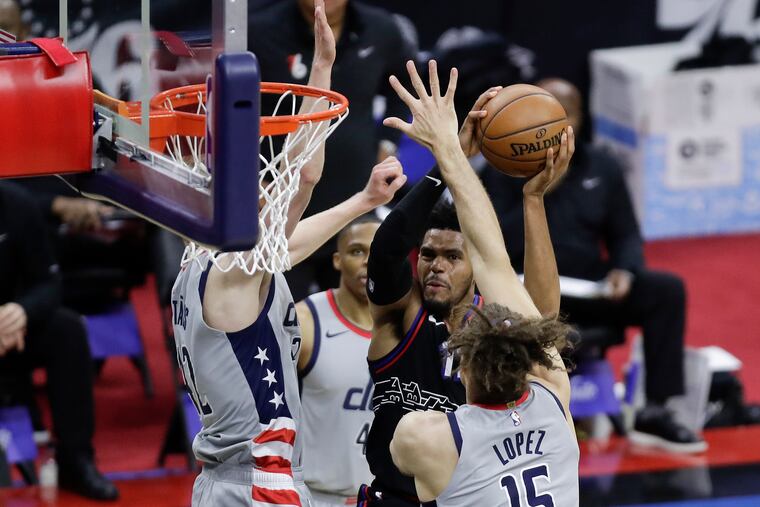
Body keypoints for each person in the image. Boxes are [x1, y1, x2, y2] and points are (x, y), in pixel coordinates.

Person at [171, 3, 406, 505]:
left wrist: (364, 201)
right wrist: (320, 73)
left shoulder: (206, 268)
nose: (263, 192)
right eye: (252, 187)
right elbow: (302, 177)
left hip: (224, 479)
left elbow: (291, 241)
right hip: (258, 481)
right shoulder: (237, 270)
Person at [360, 59, 574, 505]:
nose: (436, 266)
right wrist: (526, 195)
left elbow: (506, 276)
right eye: (430, 255)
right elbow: (504, 276)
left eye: (453, 256)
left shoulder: (424, 437)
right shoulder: (553, 396)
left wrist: (448, 153)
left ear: (466, 365)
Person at [482, 77, 706, 454]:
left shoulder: (602, 166)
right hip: (526, 292)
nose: (556, 121)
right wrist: (537, 191)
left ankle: (656, 410)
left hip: (590, 286)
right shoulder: (504, 165)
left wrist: (625, 269)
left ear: (580, 118)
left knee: (665, 290)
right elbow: (493, 238)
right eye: (548, 110)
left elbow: (625, 235)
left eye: (566, 112)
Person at [248, 0, 417, 300]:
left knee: (360, 315)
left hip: (353, 201)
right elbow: (235, 110)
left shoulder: (381, 29)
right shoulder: (259, 32)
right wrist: (249, 176)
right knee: (275, 312)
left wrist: (388, 142)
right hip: (282, 205)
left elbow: (401, 89)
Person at [0, 182, 118, 501]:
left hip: (11, 335)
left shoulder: (16, 204)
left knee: (67, 330)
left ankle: (75, 460)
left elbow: (49, 283)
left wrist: (22, 311)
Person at [296, 215, 380, 506]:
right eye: (357, 251)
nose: (369, 261)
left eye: (378, 250)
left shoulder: (412, 323)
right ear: (337, 260)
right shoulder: (306, 320)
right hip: (319, 496)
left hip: (390, 496)